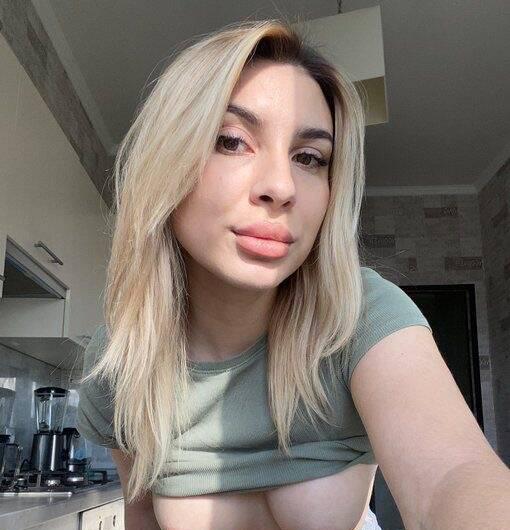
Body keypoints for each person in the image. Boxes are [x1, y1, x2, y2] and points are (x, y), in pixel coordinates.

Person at [76, 18, 510, 530]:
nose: (282, 187)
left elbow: (452, 477)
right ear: (166, 159)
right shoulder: (121, 361)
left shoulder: (360, 315)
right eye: (232, 141)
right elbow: (142, 512)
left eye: (309, 157)